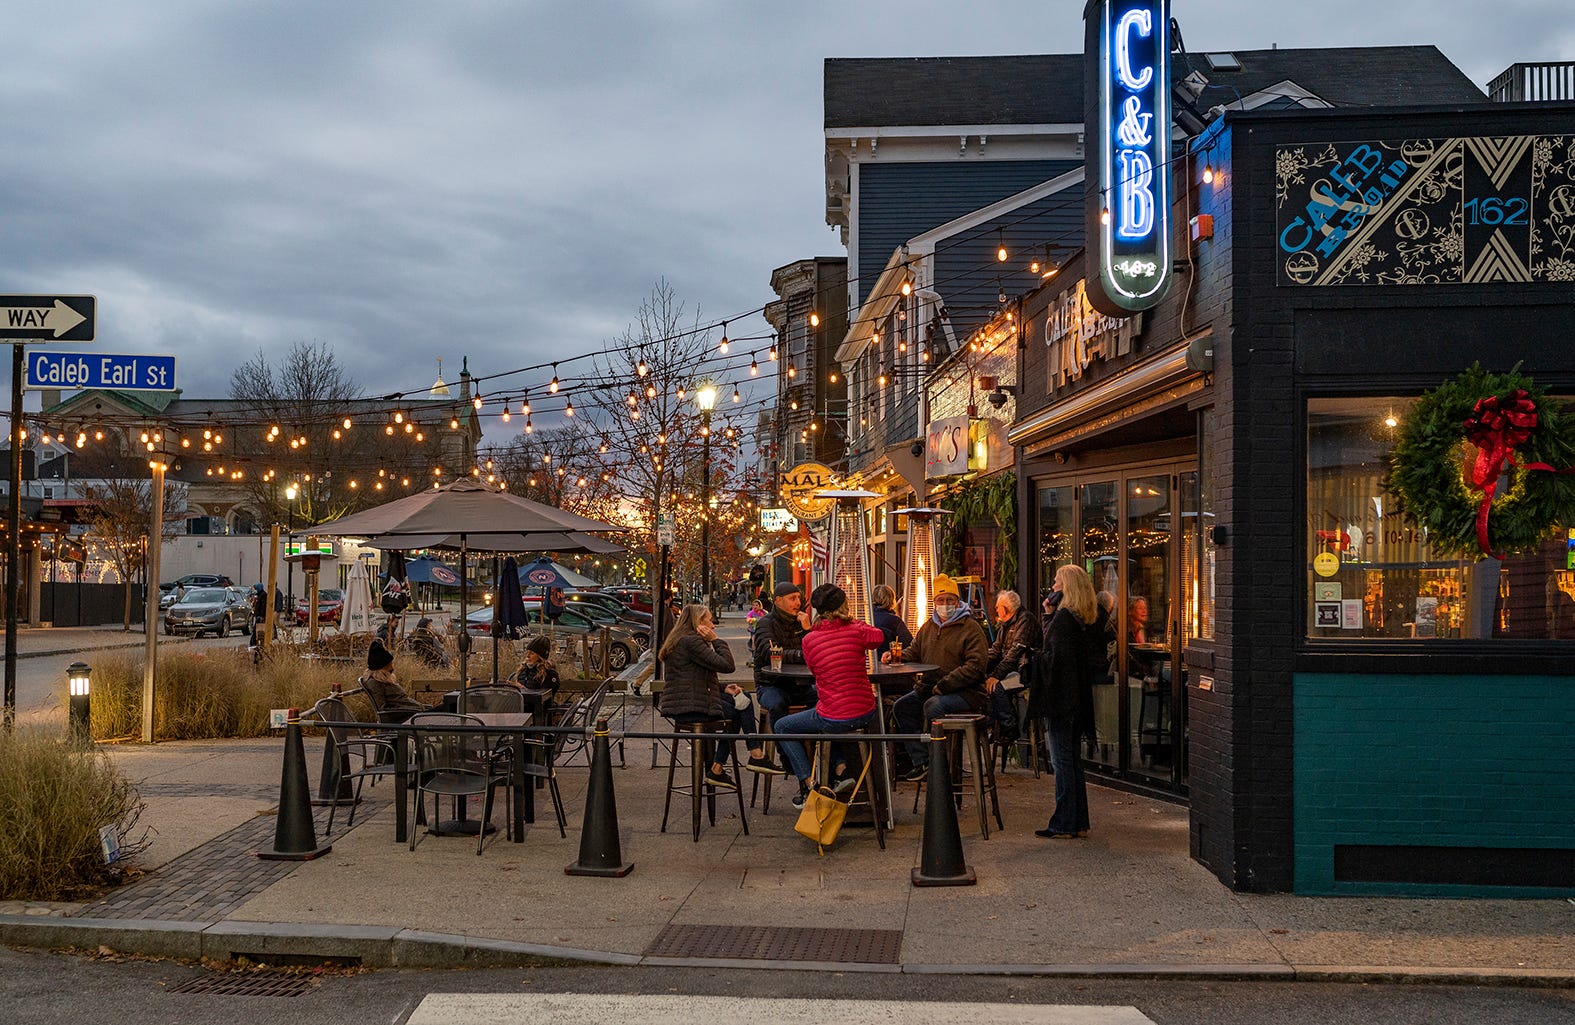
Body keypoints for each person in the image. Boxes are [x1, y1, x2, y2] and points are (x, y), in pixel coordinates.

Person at [778, 583, 884, 809]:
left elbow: (816, 672)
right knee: (827, 717)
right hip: (865, 711)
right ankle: (841, 769)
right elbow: (878, 637)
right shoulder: (857, 630)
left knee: (783, 726)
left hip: (833, 717)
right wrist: (853, 622)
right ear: (843, 606)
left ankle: (809, 782)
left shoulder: (809, 640)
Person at [658, 603, 776, 788]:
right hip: (691, 706)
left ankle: (725, 764)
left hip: (686, 702)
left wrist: (722, 689)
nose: (713, 626)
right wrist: (716, 640)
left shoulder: (680, 639)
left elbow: (692, 678)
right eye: (710, 621)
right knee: (740, 707)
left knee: (741, 696)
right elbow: (727, 665)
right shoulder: (691, 641)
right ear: (699, 623)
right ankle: (745, 757)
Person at [887, 573, 990, 781]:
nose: (945, 605)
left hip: (966, 692)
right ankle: (922, 761)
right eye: (941, 601)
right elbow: (914, 651)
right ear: (934, 603)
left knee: (933, 706)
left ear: (957, 602)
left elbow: (976, 666)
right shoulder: (928, 627)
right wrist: (895, 657)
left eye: (949, 600)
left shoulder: (970, 628)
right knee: (902, 707)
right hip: (931, 688)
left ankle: (941, 766)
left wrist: (945, 685)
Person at [1032, 564, 1100, 839]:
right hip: (1078, 701)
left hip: (1061, 701)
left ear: (1067, 588)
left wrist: (1035, 659)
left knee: (1062, 762)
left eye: (1057, 584)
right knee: (1073, 761)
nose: (1052, 588)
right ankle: (1078, 822)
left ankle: (1063, 823)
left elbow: (1053, 660)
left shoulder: (1063, 622)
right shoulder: (1083, 621)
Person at [750, 581, 816, 724]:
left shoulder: (801, 622)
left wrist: (807, 630)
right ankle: (785, 745)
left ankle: (813, 742)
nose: (798, 602)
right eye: (792, 598)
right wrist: (800, 655)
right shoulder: (765, 623)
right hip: (770, 684)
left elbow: (814, 651)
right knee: (778, 704)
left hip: (800, 684)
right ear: (778, 601)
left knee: (827, 700)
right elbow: (769, 653)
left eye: (799, 598)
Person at [984, 590, 1042, 740]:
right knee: (985, 683)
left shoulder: (1025, 620)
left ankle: (1009, 727)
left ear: (1006, 608)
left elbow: (1015, 653)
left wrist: (996, 676)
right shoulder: (1006, 624)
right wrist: (981, 666)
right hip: (1014, 671)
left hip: (1026, 672)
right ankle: (995, 724)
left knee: (995, 686)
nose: (996, 610)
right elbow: (996, 650)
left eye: (998, 607)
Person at [356, 639, 426, 723]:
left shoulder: (383, 681)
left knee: (445, 705)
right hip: (410, 716)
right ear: (383, 667)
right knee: (445, 707)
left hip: (415, 712)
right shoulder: (375, 683)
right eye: (390, 664)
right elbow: (383, 710)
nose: (392, 667)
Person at [506, 634, 561, 716]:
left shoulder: (549, 674)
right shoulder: (522, 671)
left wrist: (522, 689)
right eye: (527, 652)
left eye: (531, 653)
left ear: (540, 656)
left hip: (538, 715)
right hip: (518, 710)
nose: (527, 656)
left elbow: (544, 698)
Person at [870, 584, 912, 660]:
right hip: (888, 662)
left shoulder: (866, 618)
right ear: (892, 600)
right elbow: (909, 645)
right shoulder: (894, 621)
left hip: (868, 664)